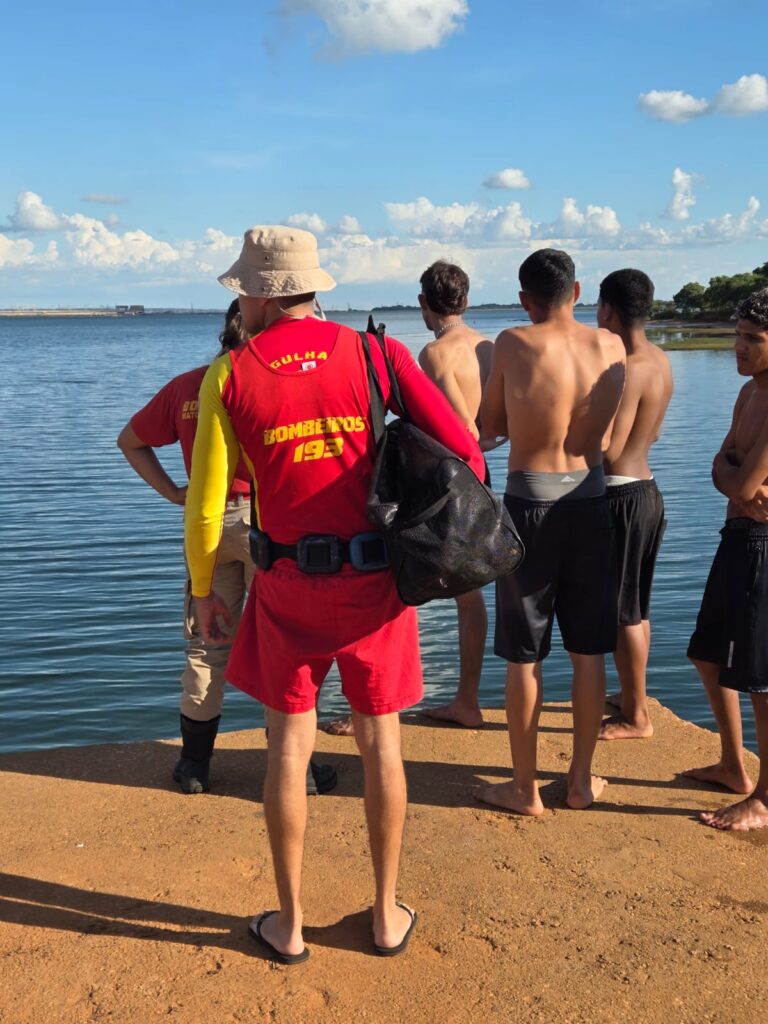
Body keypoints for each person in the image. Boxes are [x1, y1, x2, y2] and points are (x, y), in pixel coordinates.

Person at [185, 226, 484, 962]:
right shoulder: (378, 354)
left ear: (259, 294)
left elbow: (205, 504)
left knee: (289, 751)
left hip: (286, 588)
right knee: (383, 744)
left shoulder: (228, 375)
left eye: (244, 292)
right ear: (313, 286)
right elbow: (467, 452)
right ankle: (384, 917)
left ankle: (289, 926)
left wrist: (202, 590)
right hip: (376, 588)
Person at [117, 302, 337, 797]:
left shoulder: (187, 386)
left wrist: (175, 491)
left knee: (206, 645)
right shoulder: (275, 380)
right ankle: (294, 768)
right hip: (269, 526)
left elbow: (130, 441)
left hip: (209, 527)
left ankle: (194, 766)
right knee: (284, 647)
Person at [478, 249, 625, 815]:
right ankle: (582, 782)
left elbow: (491, 424)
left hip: (530, 504)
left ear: (524, 299)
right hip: (591, 501)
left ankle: (523, 788)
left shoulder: (513, 342)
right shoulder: (610, 345)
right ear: (579, 289)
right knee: (588, 652)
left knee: (524, 655)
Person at [684, 287, 768, 831]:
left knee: (761, 680)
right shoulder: (748, 394)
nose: (738, 346)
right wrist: (729, 470)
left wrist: (733, 474)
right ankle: (734, 765)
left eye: (752, 339)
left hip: (761, 545)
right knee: (706, 654)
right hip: (737, 536)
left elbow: (746, 481)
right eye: (738, 335)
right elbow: (729, 476)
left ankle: (764, 798)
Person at [596, 270, 673, 741]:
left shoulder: (628, 366)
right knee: (638, 606)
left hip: (621, 494)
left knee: (624, 611)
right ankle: (631, 697)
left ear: (607, 309)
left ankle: (636, 715)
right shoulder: (661, 360)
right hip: (647, 488)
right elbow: (655, 433)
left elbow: (609, 447)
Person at [418, 261, 494, 729]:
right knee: (470, 592)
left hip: (452, 479)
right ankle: (467, 695)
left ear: (425, 303)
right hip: (483, 474)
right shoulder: (490, 346)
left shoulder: (435, 353)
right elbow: (490, 423)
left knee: (405, 580)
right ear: (465, 301)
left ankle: (463, 703)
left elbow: (459, 426)